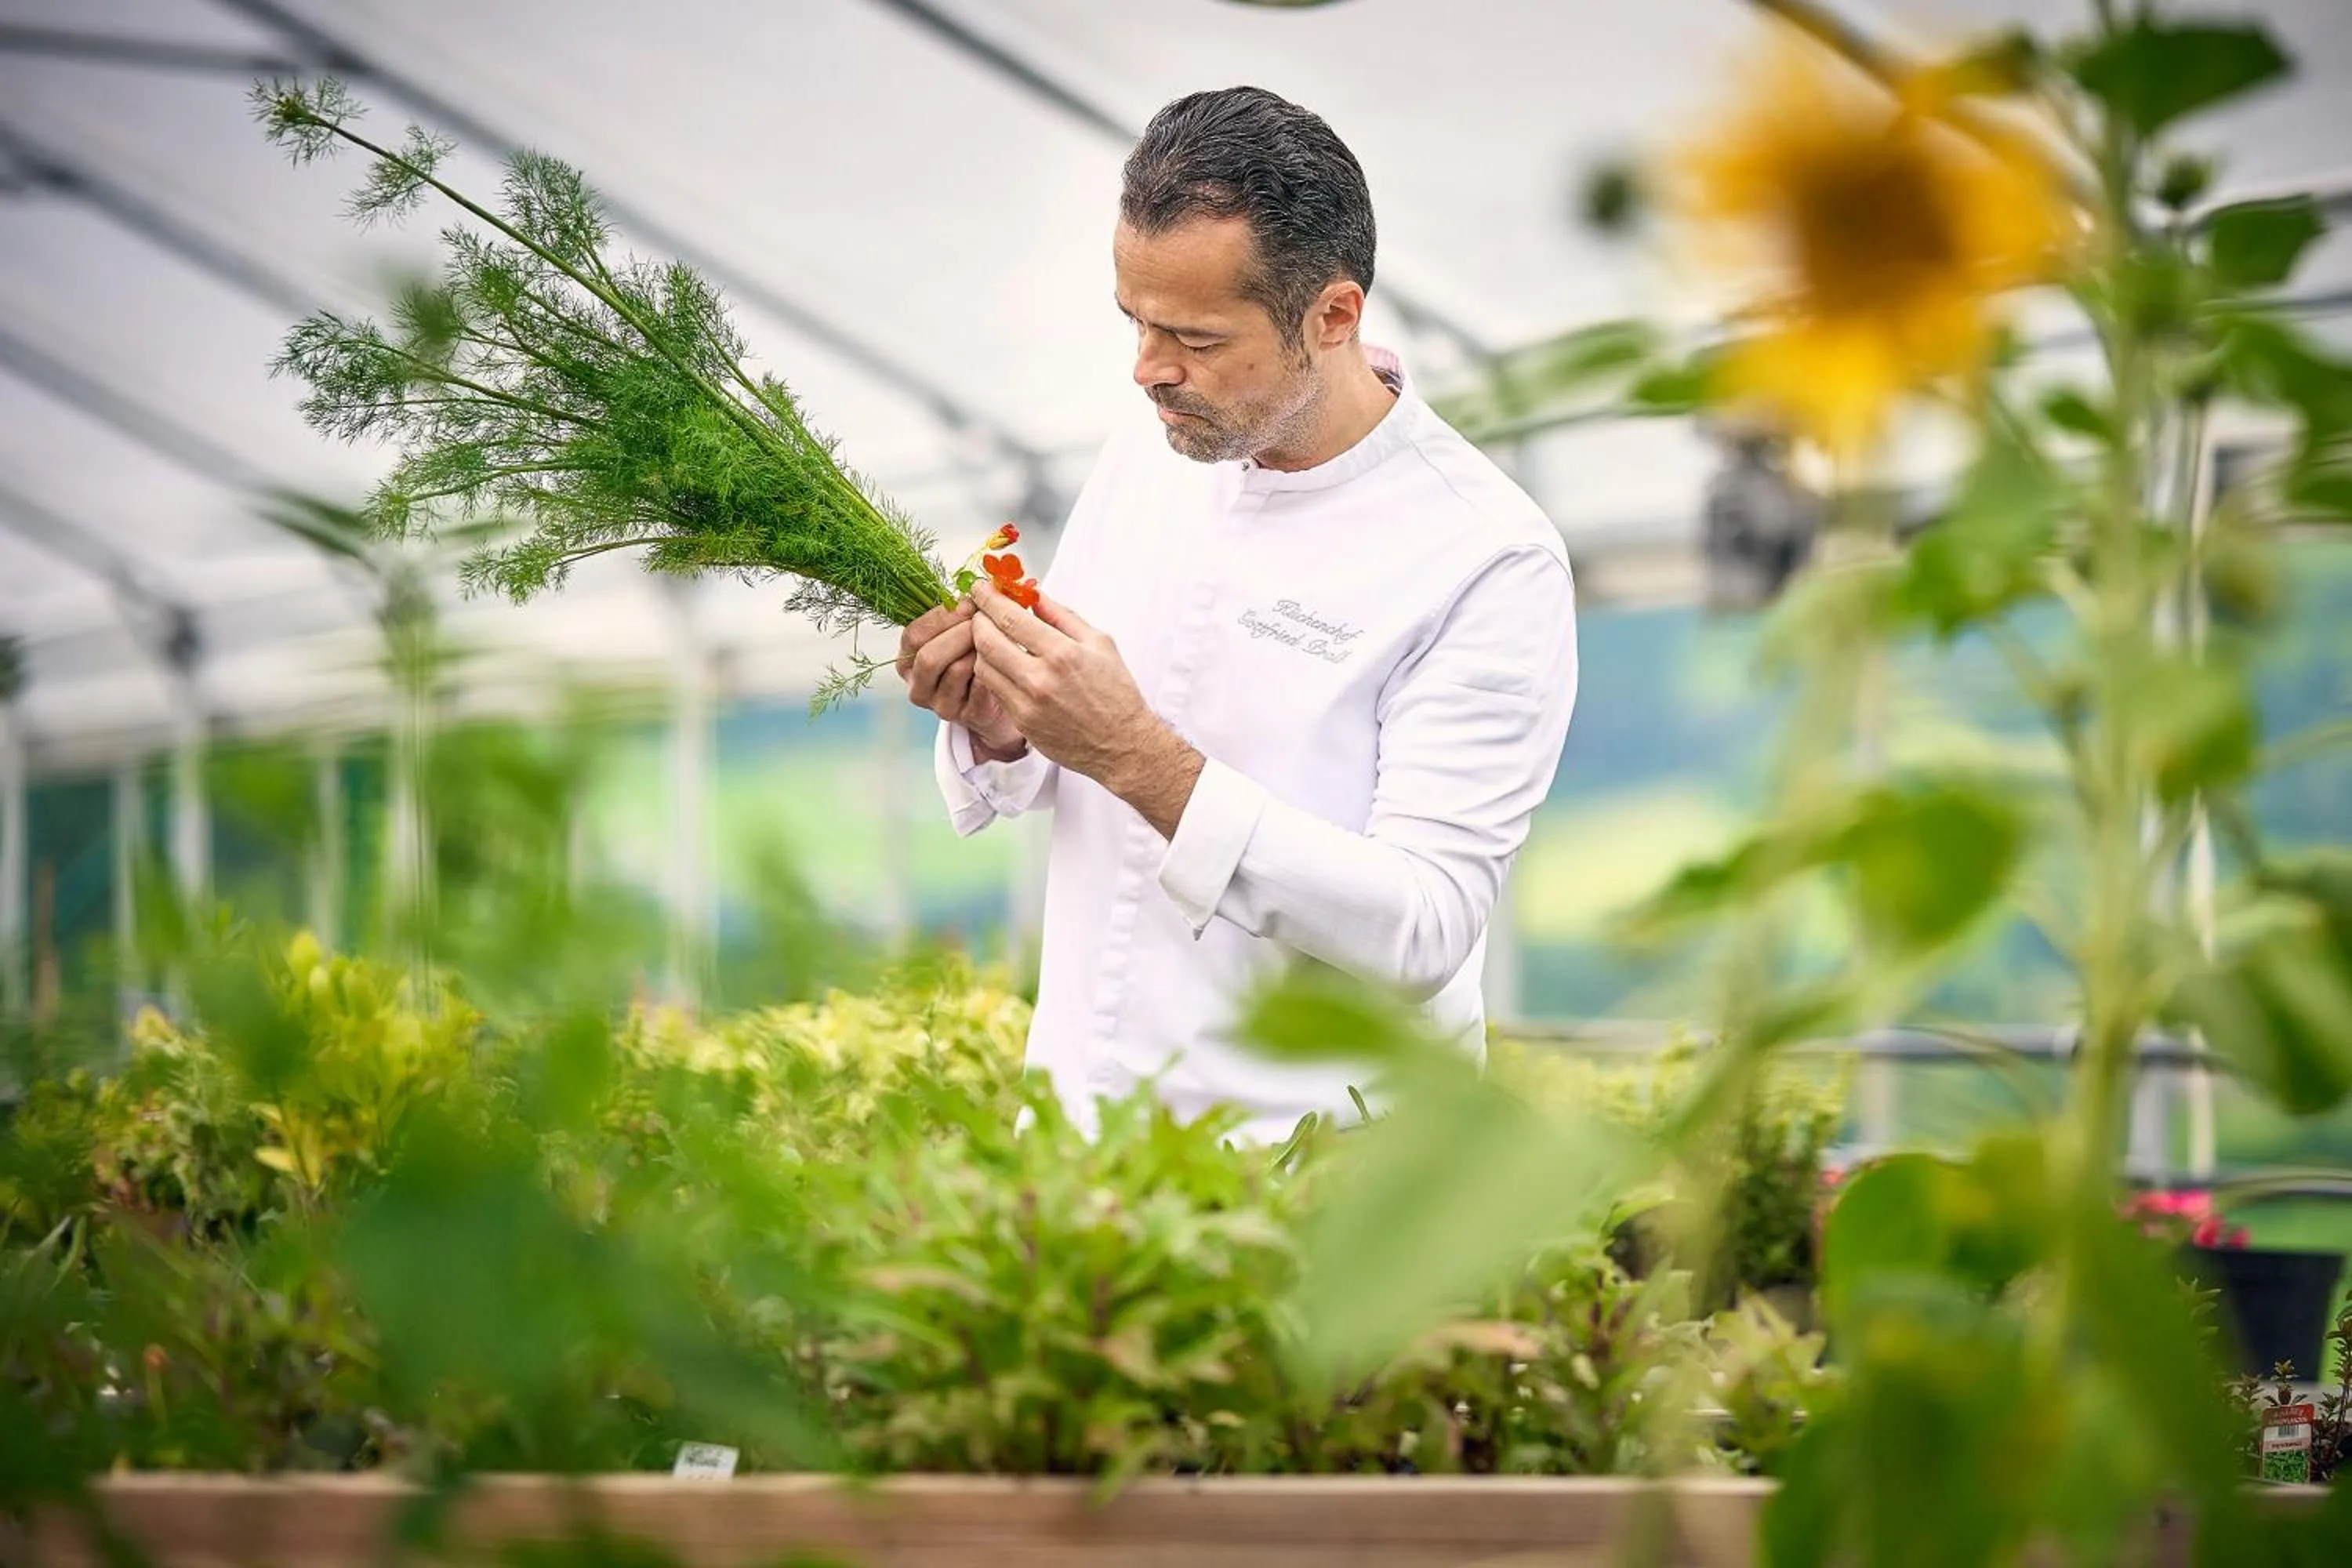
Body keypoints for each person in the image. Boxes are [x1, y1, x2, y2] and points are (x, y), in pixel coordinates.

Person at [896, 86, 1577, 1142]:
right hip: (1074, 1139)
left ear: (1334, 316)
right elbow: (1048, 773)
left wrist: (1138, 757)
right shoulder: (1151, 449)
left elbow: (1424, 924)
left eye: (1195, 337)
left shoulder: (1487, 554)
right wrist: (998, 716)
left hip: (1308, 1174)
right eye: (1134, 321)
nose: (1148, 369)